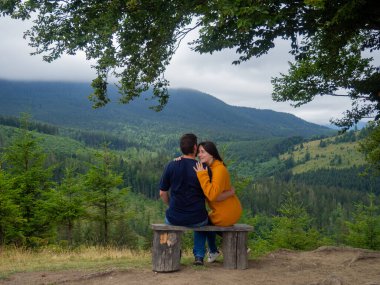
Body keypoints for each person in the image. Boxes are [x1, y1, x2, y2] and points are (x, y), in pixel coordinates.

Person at [159, 133, 209, 264]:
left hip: (175, 217)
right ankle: (198, 256)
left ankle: (174, 251)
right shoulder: (203, 168)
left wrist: (171, 204)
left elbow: (162, 193)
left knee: (169, 220)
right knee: (203, 222)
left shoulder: (171, 165)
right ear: (195, 148)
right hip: (197, 217)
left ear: (181, 148)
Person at [193, 141, 243, 264]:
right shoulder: (213, 167)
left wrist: (202, 175)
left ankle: (214, 251)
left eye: (202, 152)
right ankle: (214, 250)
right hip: (226, 210)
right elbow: (216, 196)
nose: (199, 155)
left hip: (227, 212)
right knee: (207, 221)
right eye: (198, 152)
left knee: (202, 222)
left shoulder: (219, 169)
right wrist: (178, 159)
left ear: (212, 154)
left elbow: (212, 195)